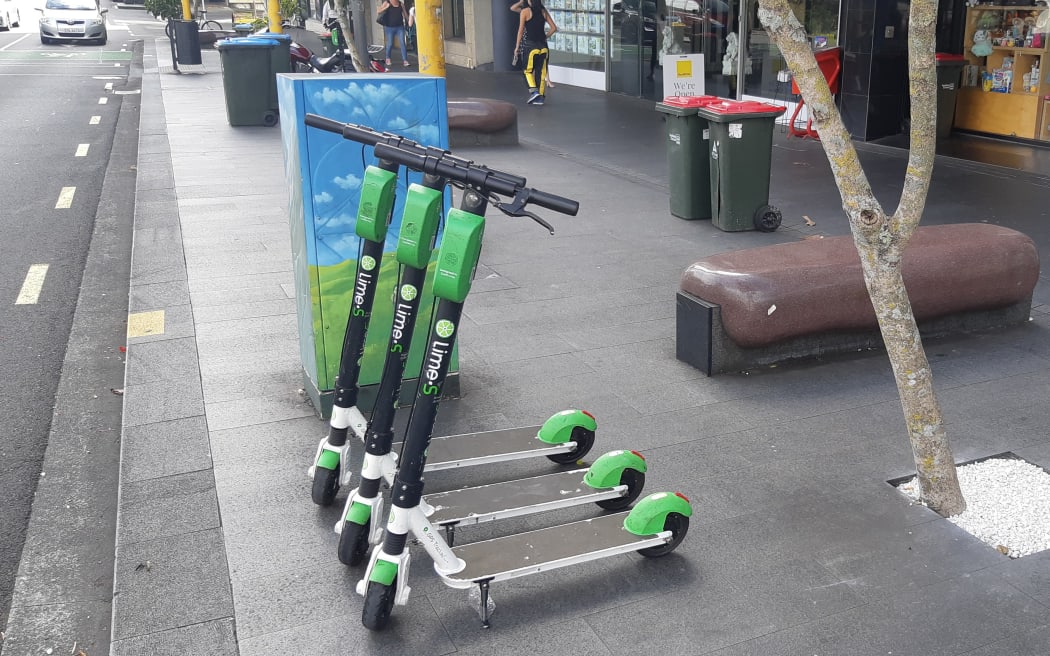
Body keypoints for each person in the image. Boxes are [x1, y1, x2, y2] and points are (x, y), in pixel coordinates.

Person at [511, 0, 557, 105]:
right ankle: (540, 98)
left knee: (527, 71)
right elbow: (553, 28)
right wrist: (545, 37)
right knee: (541, 73)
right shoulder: (543, 11)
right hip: (543, 47)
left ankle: (534, 91)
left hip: (530, 46)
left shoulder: (525, 11)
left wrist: (517, 47)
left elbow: (520, 31)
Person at [377, 0, 411, 67]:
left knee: (402, 43)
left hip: (400, 27)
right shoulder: (387, 2)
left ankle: (405, 60)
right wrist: (386, 7)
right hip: (389, 27)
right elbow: (378, 11)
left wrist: (409, 22)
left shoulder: (401, 4)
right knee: (390, 43)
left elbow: (405, 14)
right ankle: (388, 58)